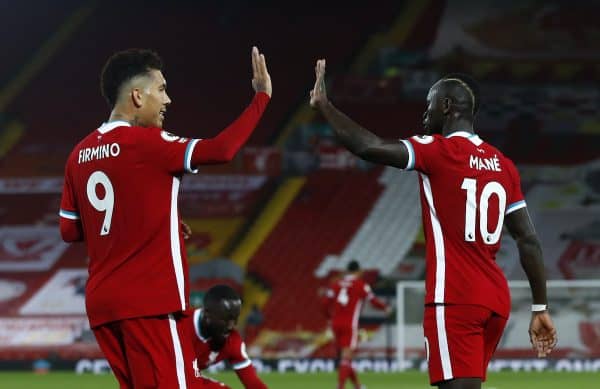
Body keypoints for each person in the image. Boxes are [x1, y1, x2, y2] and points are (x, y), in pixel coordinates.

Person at [309, 60, 557, 389]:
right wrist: (540, 306)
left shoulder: (438, 150)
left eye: (429, 106)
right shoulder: (503, 165)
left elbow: (368, 146)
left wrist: (325, 107)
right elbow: (528, 240)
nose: (425, 115)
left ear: (446, 105)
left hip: (454, 298)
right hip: (495, 301)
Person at [59, 47, 271, 388]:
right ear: (137, 96)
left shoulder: (78, 154)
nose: (168, 99)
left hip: (103, 306)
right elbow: (222, 150)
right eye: (161, 89)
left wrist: (155, 222)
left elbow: (69, 230)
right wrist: (261, 97)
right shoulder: (147, 143)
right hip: (149, 301)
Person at [321, 260, 390, 389]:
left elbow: (325, 303)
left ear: (347, 271)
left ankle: (358, 386)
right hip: (349, 324)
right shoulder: (360, 285)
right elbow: (373, 301)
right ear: (358, 271)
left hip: (335, 324)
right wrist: (385, 308)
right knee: (346, 358)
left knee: (345, 358)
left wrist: (329, 318)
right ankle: (340, 386)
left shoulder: (335, 284)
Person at [185, 285, 268, 389]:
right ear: (207, 315)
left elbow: (252, 383)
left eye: (234, 319)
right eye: (225, 319)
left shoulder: (232, 341)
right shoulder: (179, 326)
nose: (231, 326)